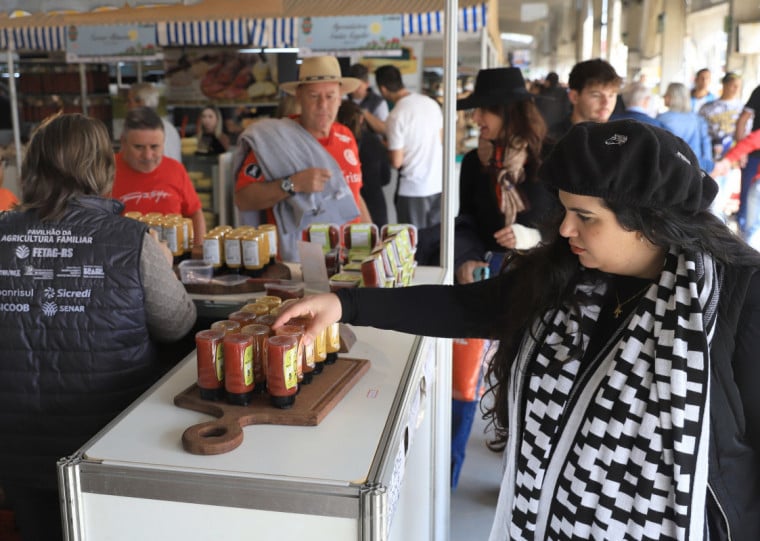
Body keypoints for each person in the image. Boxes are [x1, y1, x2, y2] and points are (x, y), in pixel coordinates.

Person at [274, 120, 760, 540]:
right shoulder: (573, 274)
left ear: (649, 223)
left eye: (585, 217)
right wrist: (345, 303)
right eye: (566, 211)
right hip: (554, 520)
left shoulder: (735, 300)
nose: (565, 229)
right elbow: (471, 307)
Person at [0, 114, 196, 541]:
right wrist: (164, 266)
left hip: (16, 448)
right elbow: (178, 324)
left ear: (32, 168)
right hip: (108, 443)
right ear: (102, 167)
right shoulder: (133, 240)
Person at [233, 55, 372, 262]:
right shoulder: (274, 141)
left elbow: (353, 194)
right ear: (298, 96)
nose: (323, 105)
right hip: (299, 263)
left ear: (341, 97)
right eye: (314, 96)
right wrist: (292, 184)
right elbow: (243, 199)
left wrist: (372, 239)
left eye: (330, 96)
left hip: (349, 260)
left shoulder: (346, 136)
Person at [450, 67, 554, 285]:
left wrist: (534, 238)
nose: (476, 118)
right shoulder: (474, 161)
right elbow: (466, 222)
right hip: (487, 279)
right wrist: (465, 259)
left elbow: (571, 221)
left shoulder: (550, 157)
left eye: (484, 109)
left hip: (541, 279)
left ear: (509, 111)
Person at [111, 107, 206, 247]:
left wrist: (199, 250)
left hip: (173, 257)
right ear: (123, 142)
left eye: (155, 147)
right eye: (139, 147)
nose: (148, 156)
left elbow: (195, 213)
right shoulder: (105, 171)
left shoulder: (175, 169)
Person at [374, 64, 443, 229]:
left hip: (413, 190)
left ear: (383, 89)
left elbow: (397, 161)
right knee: (436, 244)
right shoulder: (431, 104)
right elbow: (440, 139)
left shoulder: (396, 115)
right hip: (438, 185)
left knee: (413, 245)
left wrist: (385, 146)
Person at [337, 100, 390, 228]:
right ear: (361, 119)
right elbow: (386, 177)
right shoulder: (374, 142)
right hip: (375, 205)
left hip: (346, 207)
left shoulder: (337, 144)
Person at [547, 58, 623, 140]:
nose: (606, 103)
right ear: (574, 97)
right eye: (596, 95)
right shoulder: (552, 140)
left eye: (611, 95)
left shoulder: (620, 140)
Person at [657, 82, 713, 171]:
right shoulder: (698, 119)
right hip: (696, 167)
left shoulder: (661, 119)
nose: (664, 97)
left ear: (673, 97)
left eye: (667, 94)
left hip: (671, 169)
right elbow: (706, 144)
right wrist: (708, 167)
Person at [127, 82, 183, 162]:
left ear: (140, 103)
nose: (127, 106)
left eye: (129, 101)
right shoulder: (169, 127)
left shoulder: (146, 129)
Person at [698, 72, 744, 161]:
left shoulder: (743, 109)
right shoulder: (708, 108)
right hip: (711, 154)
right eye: (733, 85)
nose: (737, 89)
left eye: (739, 86)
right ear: (724, 85)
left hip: (734, 155)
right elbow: (700, 131)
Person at [733, 82, 760, 233]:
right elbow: (743, 120)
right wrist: (741, 149)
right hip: (754, 153)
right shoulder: (759, 90)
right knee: (747, 199)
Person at [347, 63, 389, 137]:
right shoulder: (343, 99)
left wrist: (363, 111)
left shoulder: (379, 103)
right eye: (352, 86)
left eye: (358, 87)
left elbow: (384, 129)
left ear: (367, 84)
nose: (353, 91)